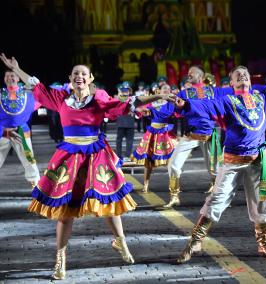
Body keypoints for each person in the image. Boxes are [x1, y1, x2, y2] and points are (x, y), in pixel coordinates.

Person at [0, 53, 173, 280]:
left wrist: (157, 96)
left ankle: (120, 242)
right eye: (75, 73)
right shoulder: (60, 98)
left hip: (95, 155)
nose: (79, 76)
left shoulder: (99, 100)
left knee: (109, 200)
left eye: (83, 73)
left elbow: (128, 104)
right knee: (65, 210)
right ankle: (60, 260)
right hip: (69, 156)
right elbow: (36, 85)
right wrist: (18, 68)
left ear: (90, 78)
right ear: (70, 79)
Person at [173, 63, 266, 263]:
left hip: (257, 161)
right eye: (237, 75)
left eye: (245, 74)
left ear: (250, 79)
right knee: (216, 199)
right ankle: (195, 241)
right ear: (231, 83)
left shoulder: (262, 97)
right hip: (232, 161)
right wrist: (186, 105)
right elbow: (208, 105)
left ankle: (263, 244)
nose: (243, 76)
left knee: (262, 201)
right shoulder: (227, 100)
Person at [162, 65, 223, 208]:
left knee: (215, 169)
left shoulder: (214, 91)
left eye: (192, 72)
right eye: (188, 72)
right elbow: (173, 111)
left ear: (201, 76)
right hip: (190, 135)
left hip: (210, 135)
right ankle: (174, 196)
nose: (188, 74)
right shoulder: (184, 93)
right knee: (173, 164)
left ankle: (217, 196)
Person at [131, 84, 177, 192]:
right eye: (164, 89)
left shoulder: (172, 103)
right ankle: (146, 184)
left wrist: (151, 112)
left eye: (168, 89)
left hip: (165, 133)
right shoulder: (152, 102)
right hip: (152, 133)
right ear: (159, 91)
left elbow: (167, 114)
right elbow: (141, 110)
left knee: (172, 161)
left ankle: (174, 186)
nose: (166, 91)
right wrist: (146, 113)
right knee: (148, 161)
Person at [0, 69, 40, 187]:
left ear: (18, 79)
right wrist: (3, 131)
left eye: (13, 76)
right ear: (4, 79)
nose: (10, 78)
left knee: (29, 160)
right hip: (4, 132)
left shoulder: (28, 95)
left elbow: (36, 85)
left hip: (21, 132)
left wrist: (17, 69)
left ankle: (35, 184)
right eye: (7, 76)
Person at [115, 81, 136, 162]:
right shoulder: (119, 98)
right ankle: (120, 155)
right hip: (123, 122)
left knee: (127, 140)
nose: (125, 91)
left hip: (127, 122)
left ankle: (124, 155)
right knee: (121, 140)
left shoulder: (132, 98)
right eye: (124, 90)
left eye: (127, 90)